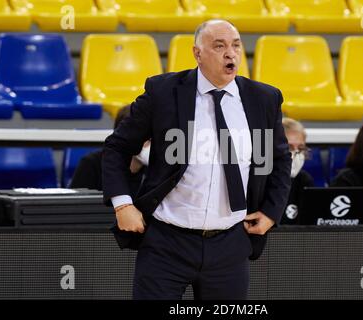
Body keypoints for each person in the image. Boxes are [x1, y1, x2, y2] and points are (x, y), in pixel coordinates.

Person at [102, 19, 291, 300]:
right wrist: (122, 205)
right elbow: (116, 147)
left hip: (230, 243)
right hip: (167, 241)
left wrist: (271, 213)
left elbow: (278, 159)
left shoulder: (262, 99)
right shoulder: (164, 92)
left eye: (236, 46)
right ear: (197, 53)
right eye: (219, 46)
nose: (231, 53)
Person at [70, 105, 149, 196]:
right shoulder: (92, 164)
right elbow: (76, 205)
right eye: (145, 136)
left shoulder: (156, 170)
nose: (149, 143)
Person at [280, 117, 314, 225]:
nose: (295, 154)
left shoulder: (305, 181)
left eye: (300, 148)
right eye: (289, 147)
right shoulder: (259, 181)